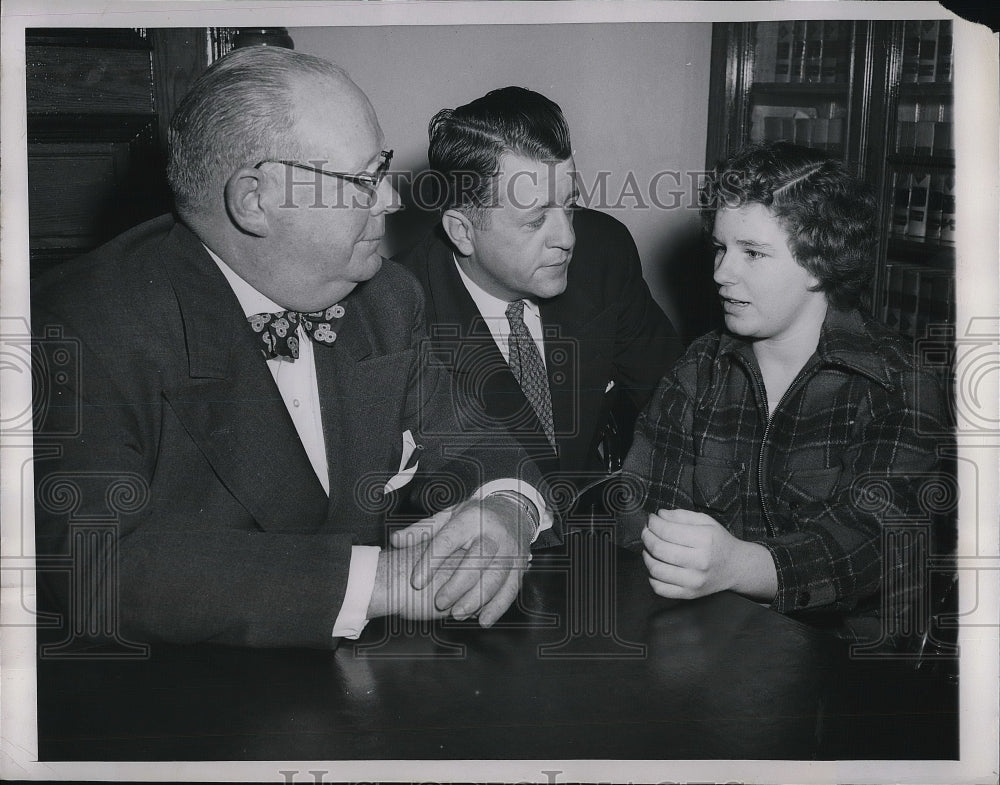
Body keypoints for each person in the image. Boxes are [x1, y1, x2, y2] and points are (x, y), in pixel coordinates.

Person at [31, 46, 552, 650]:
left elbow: (486, 444)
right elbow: (98, 568)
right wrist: (380, 582)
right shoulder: (77, 326)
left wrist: (507, 513)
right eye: (362, 180)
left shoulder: (386, 299)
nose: (390, 201)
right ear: (255, 201)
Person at [620, 141, 950, 643]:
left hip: (849, 671)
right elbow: (637, 503)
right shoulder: (701, 367)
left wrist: (738, 566)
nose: (721, 272)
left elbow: (873, 545)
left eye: (753, 252)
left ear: (820, 264)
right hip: (710, 641)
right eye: (720, 248)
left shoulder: (899, 382)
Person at [397, 87, 682, 519]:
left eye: (568, 205)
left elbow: (675, 403)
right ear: (462, 231)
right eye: (535, 221)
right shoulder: (397, 309)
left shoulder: (603, 253)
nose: (567, 238)